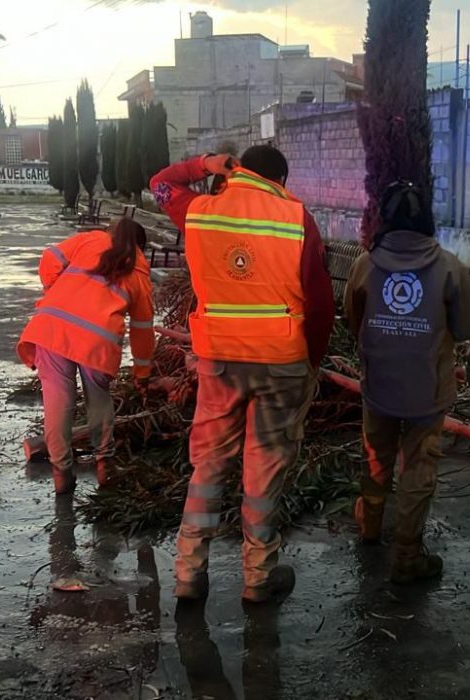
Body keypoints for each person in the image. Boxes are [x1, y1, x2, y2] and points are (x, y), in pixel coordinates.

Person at [151, 146, 336, 604]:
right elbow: (319, 304)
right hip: (281, 362)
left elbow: (160, 181)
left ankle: (189, 573)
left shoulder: (200, 212)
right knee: (263, 473)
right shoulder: (296, 218)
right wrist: (309, 365)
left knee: (209, 465)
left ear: (240, 172)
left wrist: (205, 165)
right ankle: (258, 577)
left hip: (219, 361)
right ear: (281, 179)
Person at [344, 181, 470, 584]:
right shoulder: (449, 266)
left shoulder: (364, 265)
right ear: (427, 219)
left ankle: (370, 525)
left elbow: (355, 322)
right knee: (419, 466)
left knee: (375, 456)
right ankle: (407, 555)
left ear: (384, 219)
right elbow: (467, 327)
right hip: (427, 389)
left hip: (379, 385)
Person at [17, 218, 155, 494]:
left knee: (57, 404)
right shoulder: (140, 273)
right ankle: (104, 464)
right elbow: (142, 330)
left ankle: (61, 473)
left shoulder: (91, 240)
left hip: (53, 329)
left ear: (111, 232)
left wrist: (54, 289)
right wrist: (143, 374)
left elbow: (50, 257)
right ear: (140, 247)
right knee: (98, 400)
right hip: (97, 342)